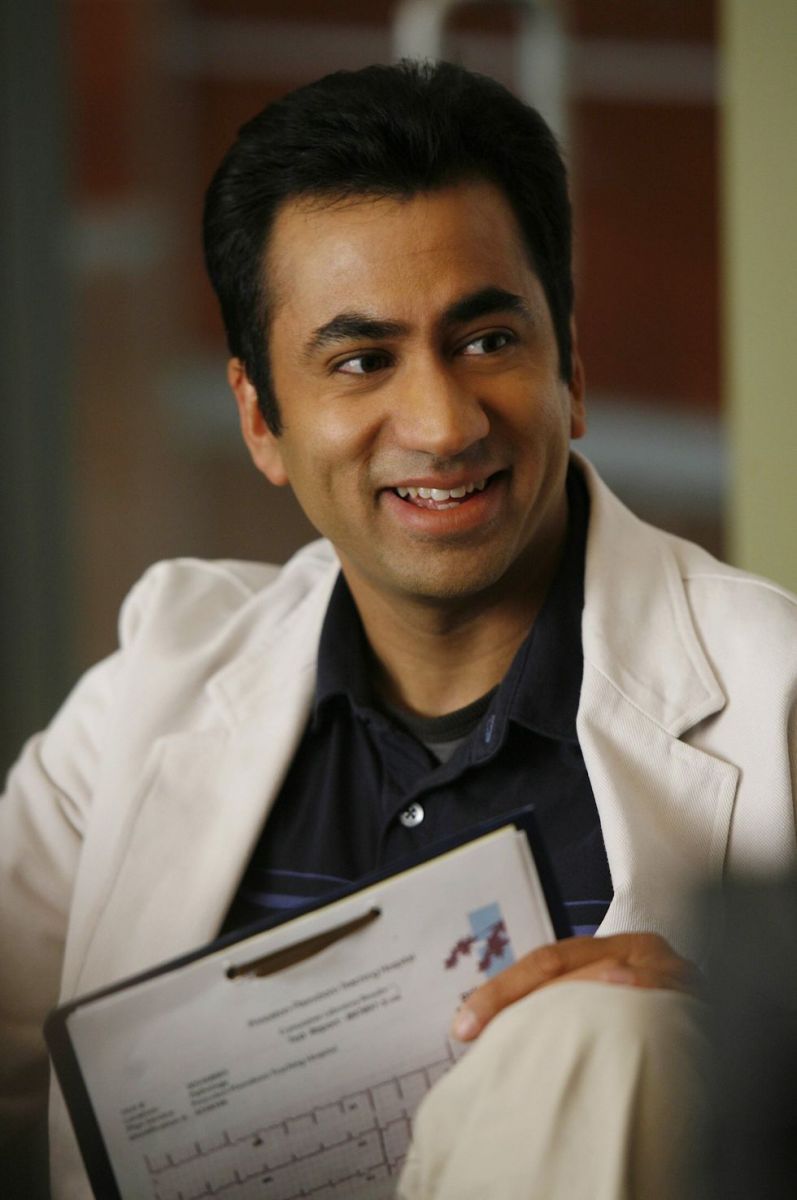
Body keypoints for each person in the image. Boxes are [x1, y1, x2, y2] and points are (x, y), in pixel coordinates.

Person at [1, 59, 796, 1200]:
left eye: (486, 342)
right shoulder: (151, 690)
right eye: (361, 361)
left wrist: (748, 1071)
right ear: (260, 420)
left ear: (570, 369)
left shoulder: (774, 696)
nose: (440, 422)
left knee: (609, 1034)